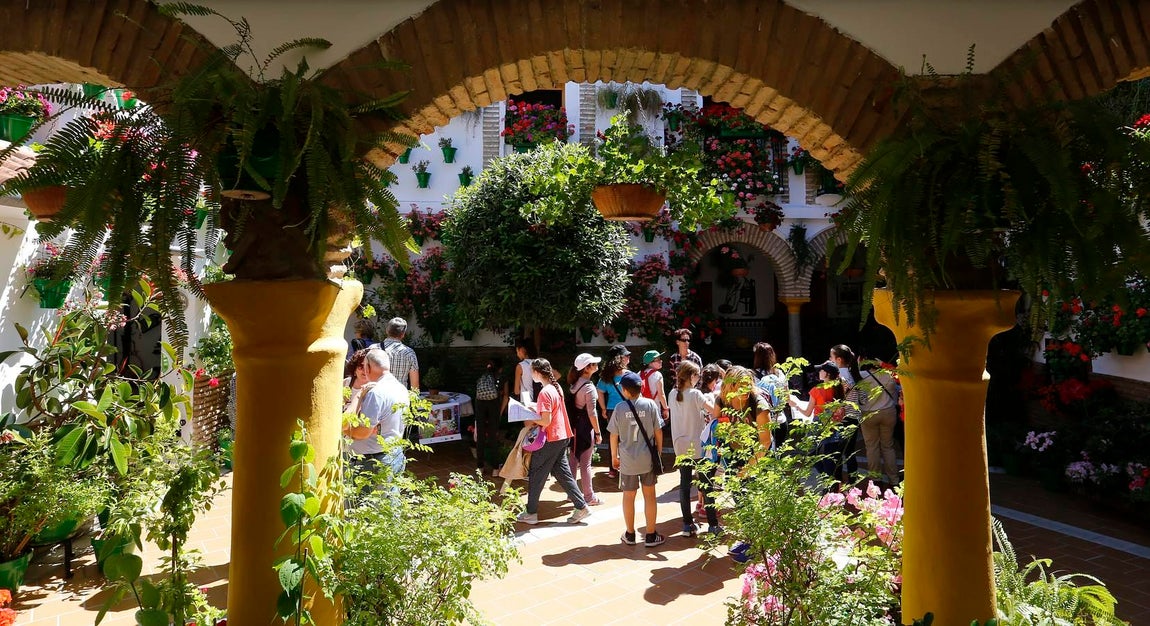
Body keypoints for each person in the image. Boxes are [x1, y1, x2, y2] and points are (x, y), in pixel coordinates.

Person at [516, 359, 591, 525]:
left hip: (550, 438)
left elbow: (546, 421)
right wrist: (536, 409)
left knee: (536, 473)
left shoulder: (544, 392)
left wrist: (529, 414)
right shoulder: (555, 388)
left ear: (536, 372)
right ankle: (581, 507)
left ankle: (531, 512)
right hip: (562, 436)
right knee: (562, 474)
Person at [609, 371, 665, 547]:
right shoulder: (649, 405)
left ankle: (630, 533)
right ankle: (650, 535)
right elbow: (658, 431)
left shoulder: (619, 408)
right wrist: (659, 451)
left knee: (628, 496)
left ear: (625, 390)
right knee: (650, 496)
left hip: (627, 460)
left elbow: (613, 435)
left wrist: (614, 456)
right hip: (647, 458)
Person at [667, 361, 717, 535]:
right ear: (691, 376)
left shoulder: (672, 394)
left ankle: (687, 524)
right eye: (697, 375)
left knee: (684, 484)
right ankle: (713, 524)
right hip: (698, 445)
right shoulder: (696, 394)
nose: (699, 379)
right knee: (706, 484)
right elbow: (715, 412)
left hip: (680, 445)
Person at [348, 349, 409, 477]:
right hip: (394, 453)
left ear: (368, 367)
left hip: (373, 461)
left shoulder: (375, 393)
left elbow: (361, 433)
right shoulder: (401, 388)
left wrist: (343, 429)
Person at [856, 360, 901, 487]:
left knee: (872, 447)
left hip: (868, 414)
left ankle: (875, 479)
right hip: (888, 412)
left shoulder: (861, 375)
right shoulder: (889, 374)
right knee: (888, 446)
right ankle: (894, 479)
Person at [567, 353, 604, 506]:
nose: (596, 365)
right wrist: (597, 432)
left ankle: (572, 493)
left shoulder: (574, 384)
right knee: (586, 463)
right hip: (585, 428)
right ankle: (589, 496)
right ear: (586, 369)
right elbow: (592, 413)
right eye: (593, 364)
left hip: (574, 427)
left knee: (573, 460)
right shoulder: (588, 387)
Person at [596, 344, 632, 479]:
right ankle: (627, 467)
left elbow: (599, 392)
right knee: (627, 439)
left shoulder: (605, 376)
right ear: (619, 359)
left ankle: (613, 468)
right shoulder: (629, 375)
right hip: (627, 409)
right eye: (626, 356)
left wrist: (603, 408)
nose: (629, 358)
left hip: (612, 410)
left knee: (613, 439)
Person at [752, 342, 789, 447]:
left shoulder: (752, 376)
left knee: (763, 457)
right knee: (778, 457)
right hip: (781, 420)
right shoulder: (780, 374)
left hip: (762, 422)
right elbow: (787, 397)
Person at [474, 356, 507, 473]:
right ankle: (495, 468)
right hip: (494, 406)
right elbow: (506, 396)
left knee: (481, 437)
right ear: (500, 368)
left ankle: (480, 467)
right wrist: (500, 412)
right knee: (493, 437)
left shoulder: (482, 376)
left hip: (480, 404)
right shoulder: (501, 378)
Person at [382, 317, 419, 390]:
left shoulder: (373, 349)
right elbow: (414, 385)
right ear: (403, 334)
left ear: (387, 331)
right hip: (400, 398)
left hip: (378, 398)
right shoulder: (409, 353)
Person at [639, 350, 670, 422]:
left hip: (642, 409)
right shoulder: (657, 375)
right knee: (657, 432)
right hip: (655, 408)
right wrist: (665, 409)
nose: (661, 361)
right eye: (658, 360)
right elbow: (661, 394)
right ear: (650, 363)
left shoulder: (639, 374)